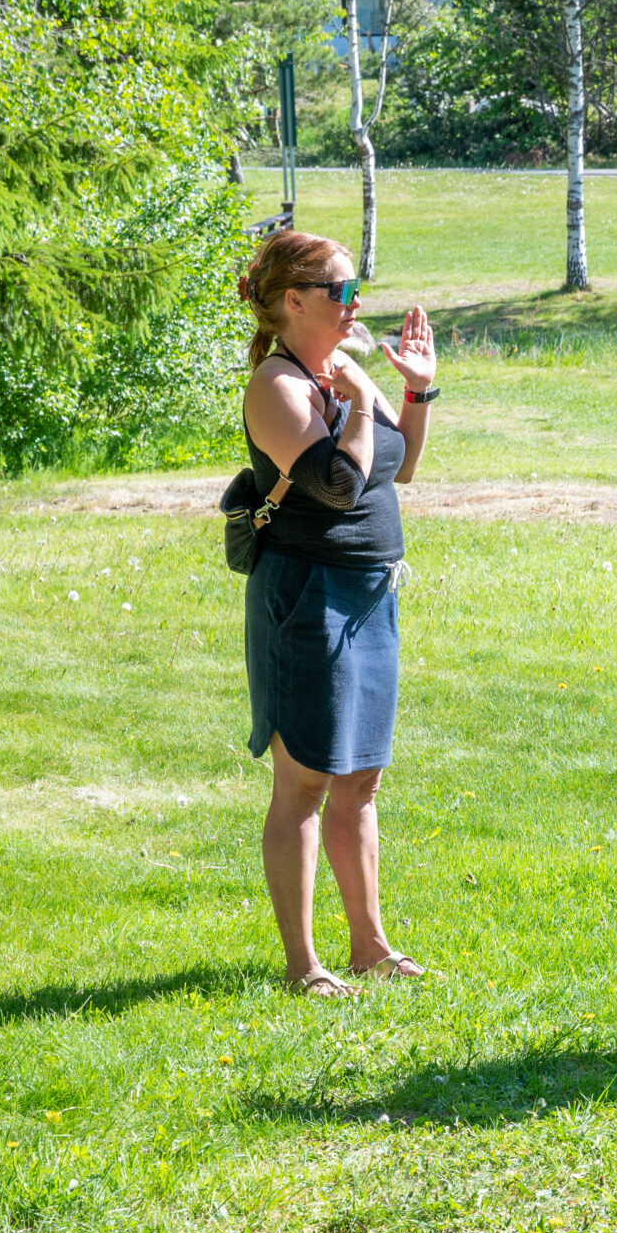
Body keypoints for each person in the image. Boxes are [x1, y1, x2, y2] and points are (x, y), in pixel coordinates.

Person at [236, 230, 441, 997]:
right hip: (308, 597)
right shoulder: (279, 386)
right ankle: (304, 964)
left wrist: (415, 390)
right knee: (305, 781)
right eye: (343, 293)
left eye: (360, 291)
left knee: (360, 779)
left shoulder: (345, 373)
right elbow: (333, 485)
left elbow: (403, 464)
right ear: (295, 301)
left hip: (368, 592)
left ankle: (371, 946)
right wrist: (356, 398)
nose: (357, 307)